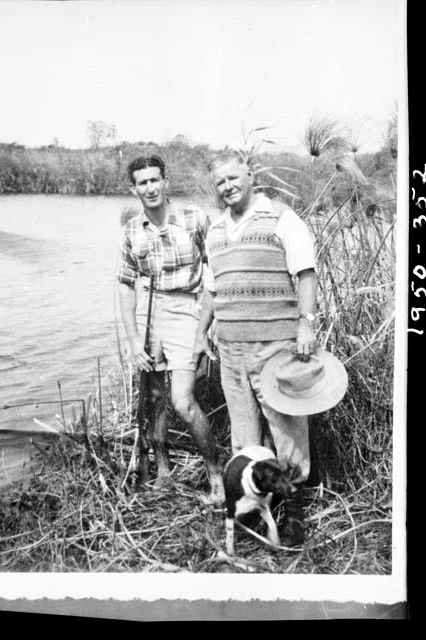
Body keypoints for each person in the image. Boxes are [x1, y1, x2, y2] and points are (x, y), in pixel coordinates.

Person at [193, 151, 318, 545]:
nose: (227, 186)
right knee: (244, 435)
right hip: (230, 348)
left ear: (250, 174)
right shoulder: (214, 230)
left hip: (275, 346)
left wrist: (305, 324)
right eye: (220, 182)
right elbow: (211, 289)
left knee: (286, 430)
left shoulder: (281, 218)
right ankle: (253, 507)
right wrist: (201, 333)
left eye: (233, 177)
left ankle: (295, 512)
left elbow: (306, 273)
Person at [117, 154, 224, 504]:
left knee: (181, 400)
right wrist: (134, 340)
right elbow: (126, 284)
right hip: (150, 309)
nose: (149, 188)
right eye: (142, 183)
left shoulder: (194, 219)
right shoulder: (132, 230)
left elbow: (214, 271)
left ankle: (216, 474)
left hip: (186, 308)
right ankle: (162, 469)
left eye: (154, 180)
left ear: (166, 182)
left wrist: (205, 326)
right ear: (133, 189)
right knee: (155, 397)